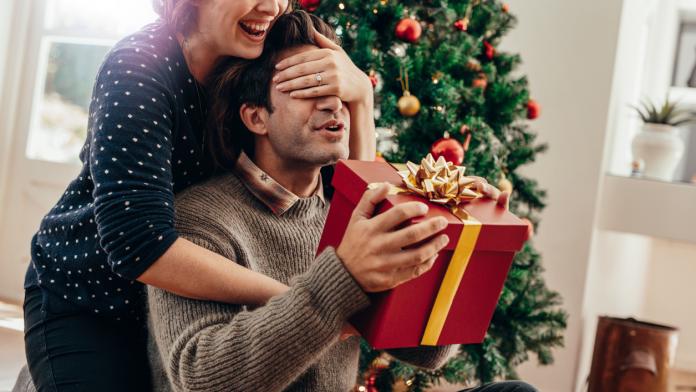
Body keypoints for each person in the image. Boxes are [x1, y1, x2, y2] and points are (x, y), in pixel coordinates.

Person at [147, 11, 536, 392]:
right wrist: (341, 276)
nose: (334, 105)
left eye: (339, 90)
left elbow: (429, 352)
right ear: (255, 117)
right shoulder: (197, 219)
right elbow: (201, 380)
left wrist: (470, 243)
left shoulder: (349, 209)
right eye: (310, 88)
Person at [22, 0, 384, 390]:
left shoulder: (254, 57)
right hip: (92, 299)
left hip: (179, 298)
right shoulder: (138, 68)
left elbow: (343, 199)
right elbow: (137, 244)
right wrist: (310, 300)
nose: (272, 7)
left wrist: (361, 97)